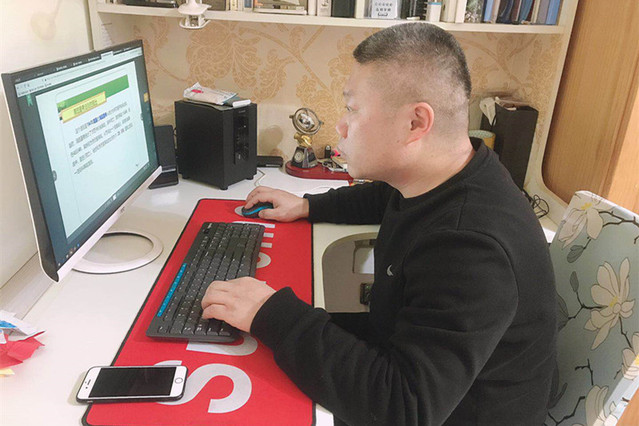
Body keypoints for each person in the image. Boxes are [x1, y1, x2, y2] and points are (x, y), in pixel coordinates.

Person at [201, 22, 556, 425]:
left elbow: (403, 410)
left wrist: (272, 315)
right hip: (416, 368)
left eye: (352, 109)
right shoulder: (451, 173)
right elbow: (386, 196)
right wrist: (308, 206)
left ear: (415, 123)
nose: (341, 125)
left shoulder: (469, 247)